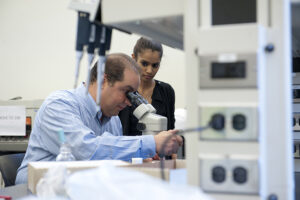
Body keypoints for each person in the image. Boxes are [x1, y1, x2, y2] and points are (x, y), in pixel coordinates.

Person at [15, 53, 182, 184]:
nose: (129, 103)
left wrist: (138, 160)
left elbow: (110, 161)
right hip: (36, 191)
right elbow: (87, 151)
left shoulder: (113, 120)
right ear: (104, 80)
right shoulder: (59, 105)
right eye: (126, 92)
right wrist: (152, 143)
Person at [119, 37, 175, 136]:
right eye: (144, 64)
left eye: (155, 65)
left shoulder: (166, 91)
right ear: (133, 58)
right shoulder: (123, 89)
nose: (149, 70)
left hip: (158, 151)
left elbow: (169, 129)